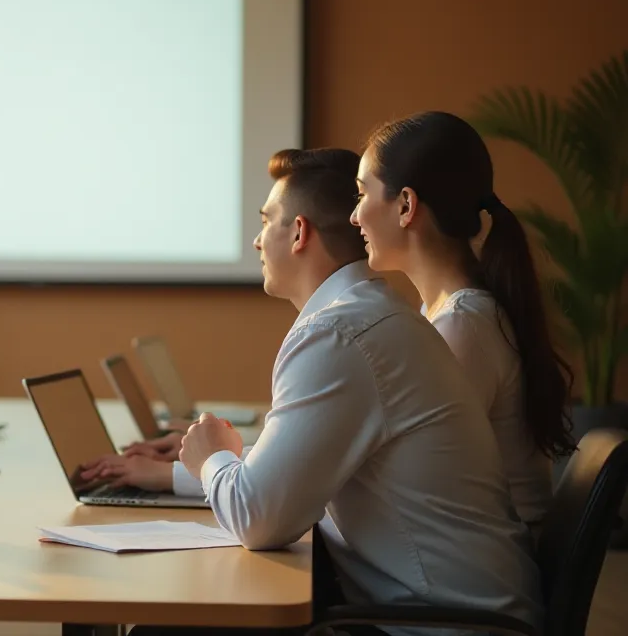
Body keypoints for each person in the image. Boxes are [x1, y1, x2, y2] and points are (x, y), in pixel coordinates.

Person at [82, 148, 542, 636]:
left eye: (266, 222)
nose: (258, 241)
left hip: (441, 625)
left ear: (299, 233)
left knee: (169, 628)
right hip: (450, 611)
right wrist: (204, 464)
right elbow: (292, 478)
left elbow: (259, 519)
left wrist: (211, 459)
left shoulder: (338, 334)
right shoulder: (369, 315)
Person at [350, 110, 575, 526]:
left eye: (363, 194)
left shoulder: (462, 325)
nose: (355, 216)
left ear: (405, 205)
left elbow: (409, 468)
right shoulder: (451, 314)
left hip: (482, 570)